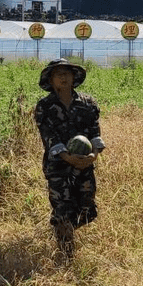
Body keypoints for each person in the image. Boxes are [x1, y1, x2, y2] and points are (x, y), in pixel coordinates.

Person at [33, 59, 105, 256]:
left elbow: (95, 133)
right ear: (51, 80)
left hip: (85, 164)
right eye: (58, 74)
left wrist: (93, 155)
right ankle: (66, 252)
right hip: (58, 167)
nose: (63, 77)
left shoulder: (88, 103)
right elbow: (48, 136)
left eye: (67, 73)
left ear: (74, 77)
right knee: (63, 209)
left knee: (86, 209)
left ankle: (67, 232)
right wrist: (67, 157)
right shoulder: (44, 106)